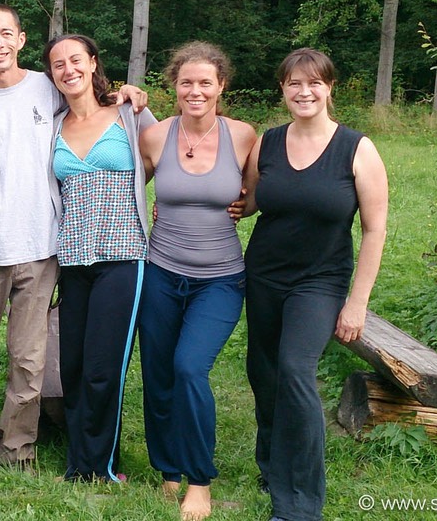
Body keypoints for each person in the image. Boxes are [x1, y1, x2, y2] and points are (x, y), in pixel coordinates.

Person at [0, 6, 146, 471]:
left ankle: (17, 448)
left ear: (21, 40)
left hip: (44, 246)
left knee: (29, 359)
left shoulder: (48, 88)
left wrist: (127, 91)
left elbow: (93, 104)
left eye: (7, 33)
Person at [241, 48, 388, 521]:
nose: (304, 92)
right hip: (263, 276)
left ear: (329, 88)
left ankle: (300, 502)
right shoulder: (268, 142)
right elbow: (248, 201)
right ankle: (272, 463)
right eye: (293, 84)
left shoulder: (356, 148)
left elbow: (375, 228)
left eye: (314, 83)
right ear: (282, 90)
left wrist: (356, 303)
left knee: (295, 370)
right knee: (263, 372)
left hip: (320, 281)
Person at [138, 42, 256, 520]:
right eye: (187, 82)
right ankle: (168, 471)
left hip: (221, 279)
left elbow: (255, 195)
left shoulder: (244, 136)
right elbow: (124, 188)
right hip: (161, 271)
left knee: (189, 367)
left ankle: (200, 479)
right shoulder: (155, 136)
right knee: (159, 374)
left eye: (205, 82)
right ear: (174, 85)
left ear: (221, 86)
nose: (195, 90)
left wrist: (244, 205)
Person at [43, 34, 156, 483]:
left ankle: (100, 467)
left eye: (75, 60)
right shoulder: (52, 125)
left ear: (92, 64)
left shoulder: (130, 114)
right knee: (72, 365)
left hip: (124, 255)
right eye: (57, 64)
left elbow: (175, 157)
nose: (68, 70)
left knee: (103, 367)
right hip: (71, 258)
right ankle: (79, 458)